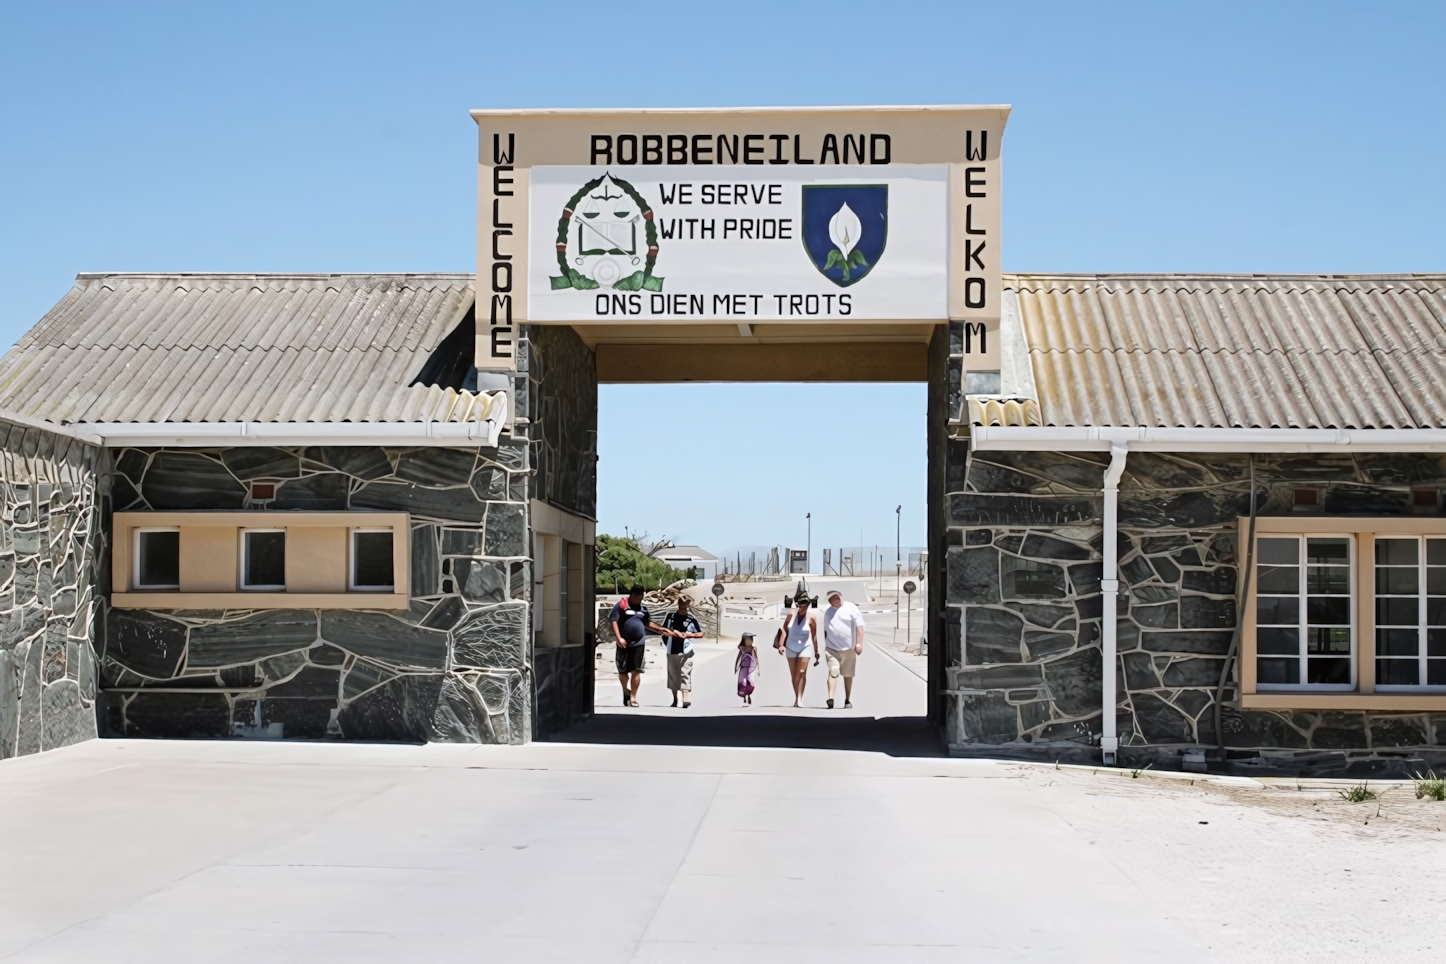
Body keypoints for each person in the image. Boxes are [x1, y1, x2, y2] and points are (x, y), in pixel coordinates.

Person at [609, 585, 674, 707]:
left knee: (636, 671)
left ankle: (633, 697)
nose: (640, 599)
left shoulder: (643, 609)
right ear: (632, 595)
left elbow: (647, 623)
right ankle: (625, 690)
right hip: (623, 643)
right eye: (639, 597)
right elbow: (613, 620)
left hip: (639, 644)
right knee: (622, 671)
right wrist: (618, 638)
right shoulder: (622, 605)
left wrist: (662, 630)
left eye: (642, 597)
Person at [821, 589, 866, 709]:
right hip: (832, 648)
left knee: (848, 674)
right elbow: (825, 630)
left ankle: (847, 699)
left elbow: (860, 627)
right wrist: (825, 645)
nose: (837, 600)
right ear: (830, 601)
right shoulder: (828, 612)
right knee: (833, 670)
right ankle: (831, 699)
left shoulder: (851, 608)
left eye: (838, 597)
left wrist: (859, 644)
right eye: (834, 598)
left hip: (849, 648)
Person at [776, 588, 819, 707]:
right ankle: (796, 697)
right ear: (797, 604)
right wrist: (781, 645)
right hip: (791, 647)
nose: (803, 606)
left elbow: (814, 635)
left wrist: (816, 651)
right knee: (794, 675)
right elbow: (784, 629)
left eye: (805, 603)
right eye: (801, 603)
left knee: (801, 672)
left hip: (805, 647)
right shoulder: (791, 613)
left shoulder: (812, 617)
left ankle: (800, 698)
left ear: (808, 604)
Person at [660, 596, 704, 708]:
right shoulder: (670, 617)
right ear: (678, 604)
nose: (683, 607)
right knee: (673, 677)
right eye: (681, 604)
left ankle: (685, 700)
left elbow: (700, 634)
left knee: (685, 674)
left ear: (688, 605)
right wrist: (670, 637)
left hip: (686, 652)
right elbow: (663, 631)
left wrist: (688, 635)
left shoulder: (691, 619)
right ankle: (675, 700)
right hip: (671, 651)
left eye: (685, 605)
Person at [735, 632, 760, 706]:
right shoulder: (742, 649)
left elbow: (756, 658)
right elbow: (738, 657)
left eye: (751, 639)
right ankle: (744, 696)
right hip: (743, 667)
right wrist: (736, 667)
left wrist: (758, 669)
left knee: (750, 682)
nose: (750, 641)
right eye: (748, 639)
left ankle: (749, 695)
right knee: (743, 682)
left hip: (751, 668)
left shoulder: (754, 649)